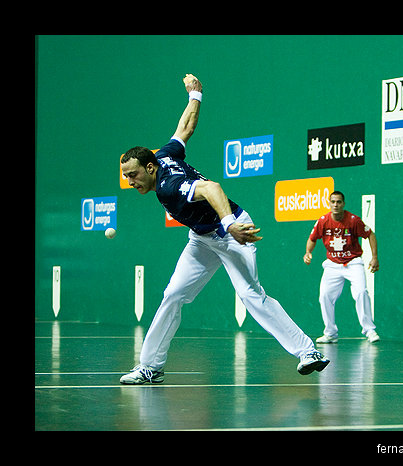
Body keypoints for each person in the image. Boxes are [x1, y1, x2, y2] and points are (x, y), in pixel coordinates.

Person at [119, 74, 329, 384]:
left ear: (149, 168)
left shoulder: (167, 186)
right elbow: (185, 129)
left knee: (251, 295)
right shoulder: (164, 155)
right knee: (173, 294)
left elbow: (212, 188)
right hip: (202, 238)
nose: (131, 182)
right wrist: (195, 96)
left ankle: (308, 352)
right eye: (126, 177)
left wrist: (229, 225)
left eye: (133, 175)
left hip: (231, 231)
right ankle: (151, 366)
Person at [303, 191, 380, 344]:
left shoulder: (353, 220)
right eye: (333, 202)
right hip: (332, 265)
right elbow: (312, 239)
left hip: (353, 262)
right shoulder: (323, 221)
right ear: (329, 203)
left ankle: (369, 330)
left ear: (343, 204)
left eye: (339, 202)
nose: (336, 205)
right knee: (324, 296)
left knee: (361, 292)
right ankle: (330, 333)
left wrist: (374, 257)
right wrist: (308, 253)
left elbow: (370, 235)